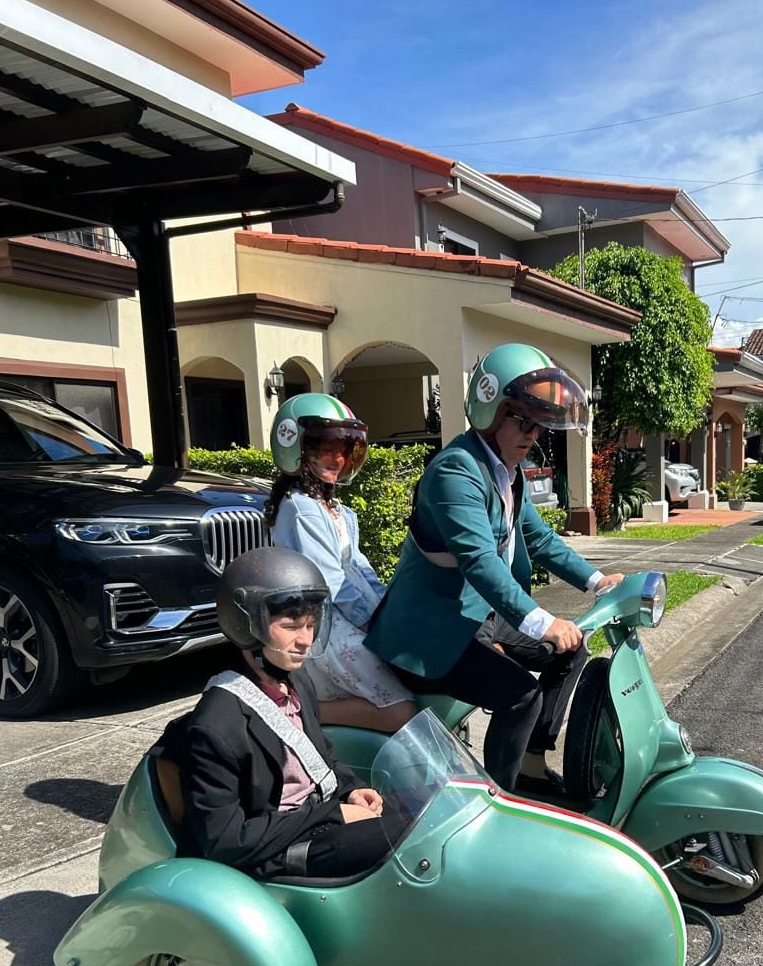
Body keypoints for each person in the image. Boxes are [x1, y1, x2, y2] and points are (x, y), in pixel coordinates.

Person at [365, 343, 624, 795]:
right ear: (491, 409)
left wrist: (597, 580)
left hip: (475, 618)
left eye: (540, 424)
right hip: (428, 631)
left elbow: (539, 540)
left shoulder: (508, 471)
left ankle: (529, 763)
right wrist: (542, 622)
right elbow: (480, 562)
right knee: (520, 694)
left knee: (571, 651)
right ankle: (501, 800)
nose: (533, 435)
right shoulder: (455, 472)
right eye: (523, 420)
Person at [156, 547, 407, 881]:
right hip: (278, 850)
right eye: (291, 626)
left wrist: (351, 790)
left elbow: (322, 759)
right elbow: (225, 840)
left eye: (311, 625)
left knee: (426, 808)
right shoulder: (216, 724)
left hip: (316, 820)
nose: (305, 640)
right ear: (246, 625)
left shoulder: (296, 682)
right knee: (402, 836)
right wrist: (334, 815)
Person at [265, 392, 416, 734]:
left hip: (347, 619)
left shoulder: (335, 509)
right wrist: (375, 622)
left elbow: (359, 568)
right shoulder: (301, 507)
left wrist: (388, 608)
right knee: (403, 710)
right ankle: (300, 709)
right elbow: (330, 582)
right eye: (325, 447)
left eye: (345, 449)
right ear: (295, 446)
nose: (337, 458)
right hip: (327, 627)